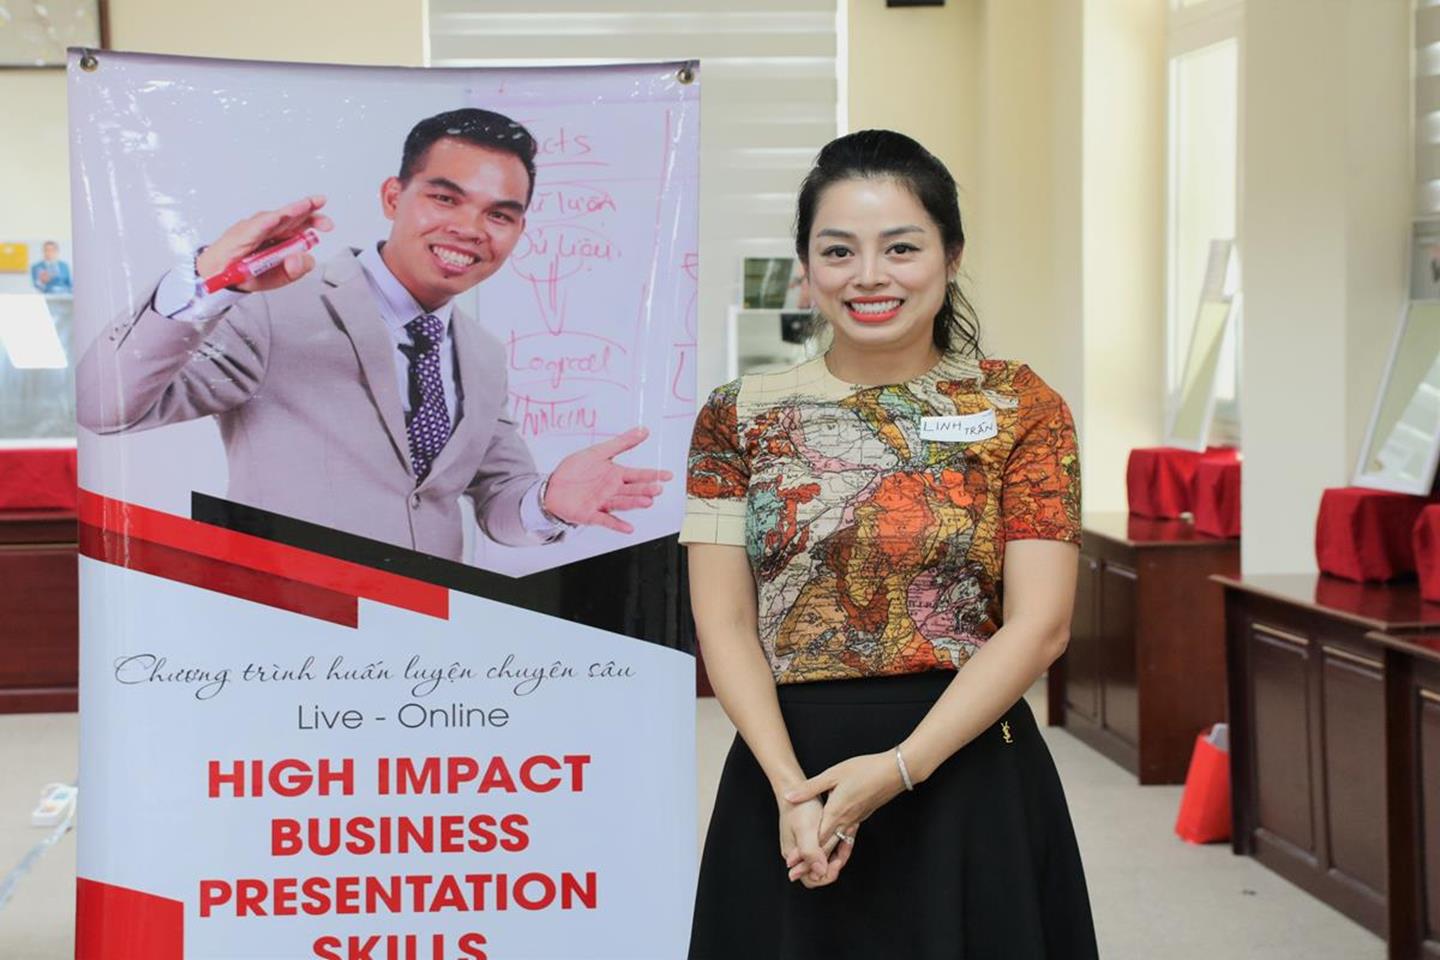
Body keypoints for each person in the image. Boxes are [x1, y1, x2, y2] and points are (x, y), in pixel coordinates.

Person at [681, 130, 1099, 958]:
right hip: (790, 770)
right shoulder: (738, 415)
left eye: (901, 248)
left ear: (951, 256)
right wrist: (791, 790)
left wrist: (899, 768)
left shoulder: (1020, 405)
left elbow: (1041, 626)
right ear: (807, 268)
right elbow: (723, 623)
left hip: (965, 762)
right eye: (838, 251)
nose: (869, 275)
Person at [77, 109, 669, 562]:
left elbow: (498, 502)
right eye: (445, 198)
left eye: (499, 214)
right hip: (285, 638)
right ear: (393, 196)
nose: (469, 229)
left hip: (426, 643)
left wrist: (547, 501)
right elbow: (104, 406)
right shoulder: (274, 308)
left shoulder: (483, 355)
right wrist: (206, 283)